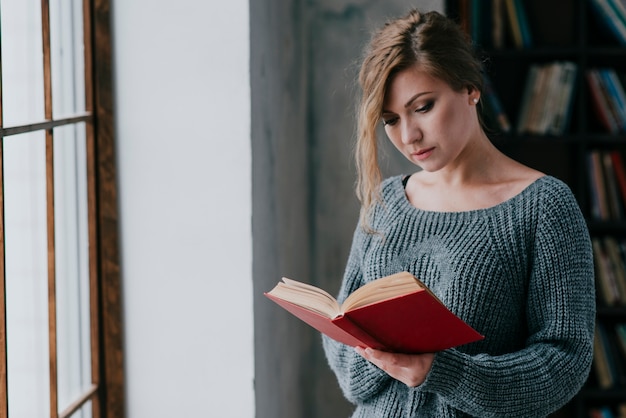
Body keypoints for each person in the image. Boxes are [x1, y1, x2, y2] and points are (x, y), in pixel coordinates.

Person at [322, 9, 595, 418]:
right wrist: (381, 349)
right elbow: (349, 376)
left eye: (424, 107)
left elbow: (563, 364)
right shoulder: (385, 203)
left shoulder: (543, 206)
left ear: (470, 88)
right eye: (391, 120)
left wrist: (442, 371)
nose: (408, 136)